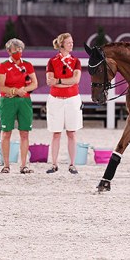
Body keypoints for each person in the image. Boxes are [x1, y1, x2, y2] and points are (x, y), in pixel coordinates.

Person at [0, 38, 38, 173]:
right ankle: (6, 165)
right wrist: (15, 91)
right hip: (7, 102)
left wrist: (22, 91)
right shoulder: (3, 66)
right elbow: (1, 87)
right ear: (9, 51)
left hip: (24, 101)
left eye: (20, 49)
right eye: (16, 50)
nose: (19, 52)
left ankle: (24, 165)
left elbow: (34, 83)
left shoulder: (27, 65)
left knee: (24, 133)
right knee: (6, 133)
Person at [45, 33, 83, 174]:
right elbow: (50, 81)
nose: (71, 44)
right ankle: (54, 163)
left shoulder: (76, 61)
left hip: (72, 99)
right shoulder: (52, 61)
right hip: (56, 99)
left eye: (72, 42)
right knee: (56, 133)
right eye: (68, 43)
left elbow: (76, 80)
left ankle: (72, 164)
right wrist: (66, 83)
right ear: (61, 45)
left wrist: (59, 81)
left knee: (71, 132)